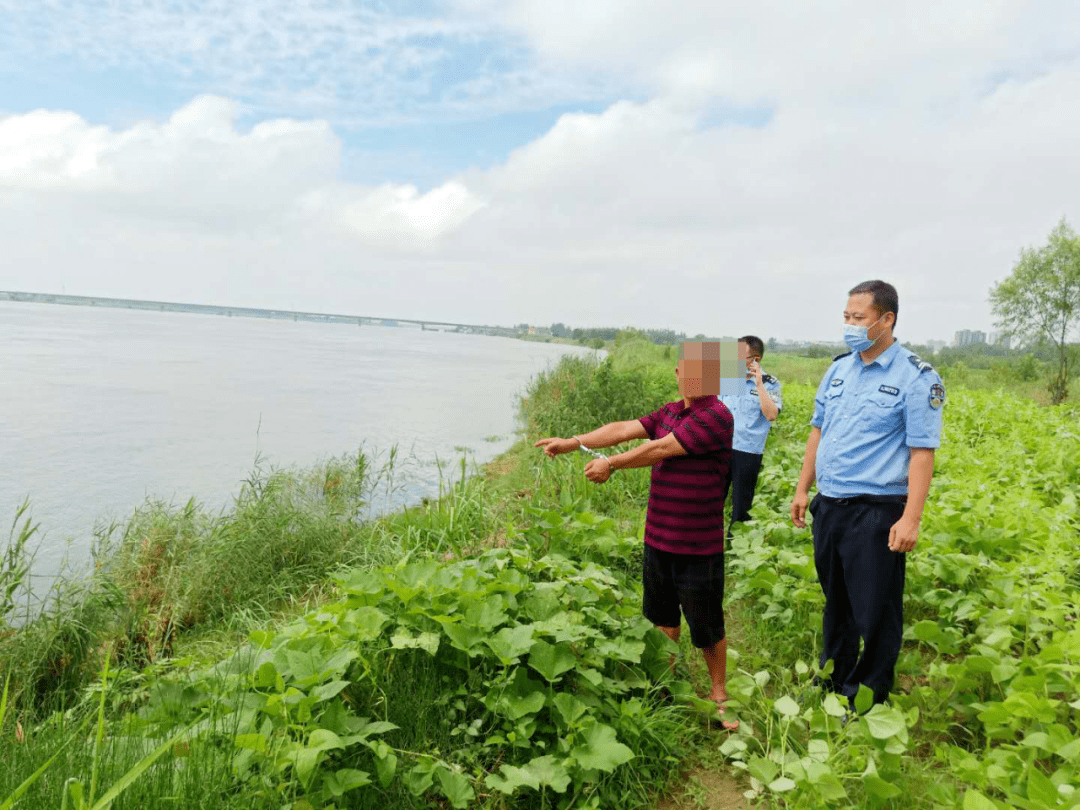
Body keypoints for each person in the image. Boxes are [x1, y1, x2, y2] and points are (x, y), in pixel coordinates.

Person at [534, 341, 741, 729]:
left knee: (707, 625)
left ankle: (719, 694)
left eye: (704, 371)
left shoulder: (717, 416)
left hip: (698, 543)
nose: (693, 377)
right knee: (662, 620)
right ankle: (664, 687)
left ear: (715, 377)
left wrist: (610, 464)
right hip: (659, 538)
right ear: (678, 373)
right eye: (687, 369)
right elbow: (623, 429)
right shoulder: (670, 411)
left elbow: (660, 448)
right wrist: (574, 442)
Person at [790, 280, 945, 709]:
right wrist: (804, 489)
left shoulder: (916, 377)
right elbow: (818, 431)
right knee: (836, 603)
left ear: (886, 319)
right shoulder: (839, 369)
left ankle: (867, 698)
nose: (850, 325)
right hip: (830, 506)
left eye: (859, 318)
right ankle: (832, 679)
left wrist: (910, 518)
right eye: (846, 317)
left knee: (875, 611)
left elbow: (921, 453)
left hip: (876, 513)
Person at [719, 335, 782, 539]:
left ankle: (735, 543)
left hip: (748, 451)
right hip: (720, 448)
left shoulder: (770, 383)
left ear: (755, 359)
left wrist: (759, 385)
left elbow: (771, 414)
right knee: (711, 497)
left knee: (742, 503)